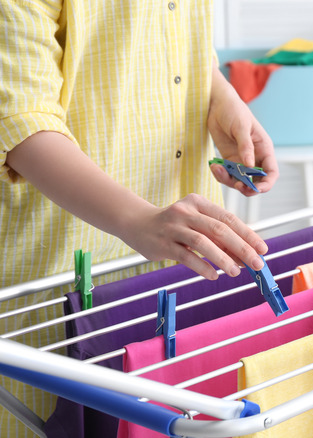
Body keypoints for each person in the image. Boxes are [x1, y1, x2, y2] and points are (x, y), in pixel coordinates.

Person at [0, 2, 278, 436]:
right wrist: (139, 220)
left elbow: (177, 35)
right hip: (59, 286)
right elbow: (21, 120)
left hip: (174, 268)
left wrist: (219, 96)